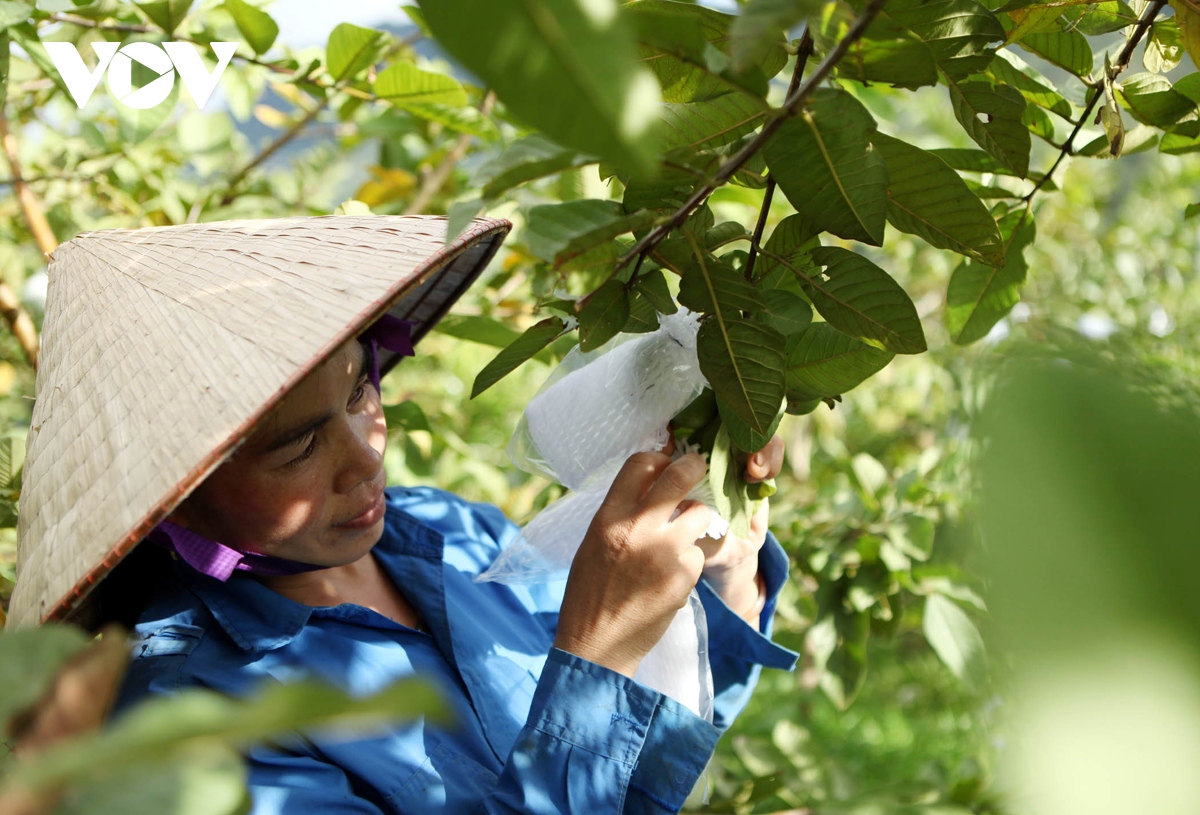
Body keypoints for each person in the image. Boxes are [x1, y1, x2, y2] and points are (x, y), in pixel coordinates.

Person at [9, 215, 798, 814]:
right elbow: (596, 698)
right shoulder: (188, 720)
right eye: (296, 448)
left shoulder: (448, 532)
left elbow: (637, 763)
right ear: (176, 492)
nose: (366, 457)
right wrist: (594, 659)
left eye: (360, 391)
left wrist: (726, 573)